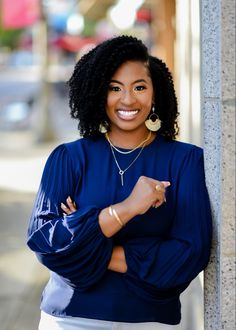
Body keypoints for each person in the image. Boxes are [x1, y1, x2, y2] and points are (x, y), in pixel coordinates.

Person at [27, 35, 212, 330]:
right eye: (115, 88)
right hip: (70, 318)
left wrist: (85, 241)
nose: (127, 99)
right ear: (100, 93)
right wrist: (128, 208)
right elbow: (44, 243)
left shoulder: (184, 161)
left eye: (139, 87)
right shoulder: (69, 158)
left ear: (155, 93)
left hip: (150, 321)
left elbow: (189, 254)